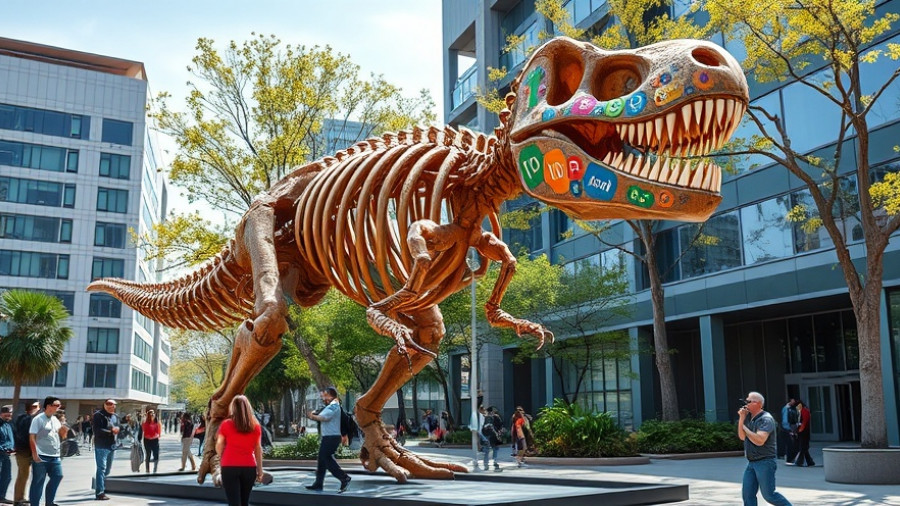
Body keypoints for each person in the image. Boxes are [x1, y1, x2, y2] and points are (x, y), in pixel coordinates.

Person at [737, 391, 792, 506]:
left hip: (765, 462)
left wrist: (744, 428)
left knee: (769, 495)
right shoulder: (749, 418)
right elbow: (742, 437)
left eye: (748, 401)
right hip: (751, 463)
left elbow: (760, 440)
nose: (745, 404)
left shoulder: (766, 419)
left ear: (758, 404)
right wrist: (742, 419)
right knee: (747, 495)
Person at [216, 395, 264, 506]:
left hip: (229, 466)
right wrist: (260, 470)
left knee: (233, 502)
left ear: (233, 408)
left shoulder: (226, 424)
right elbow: (258, 449)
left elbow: (219, 446)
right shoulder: (255, 426)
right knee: (244, 502)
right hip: (249, 467)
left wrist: (222, 456)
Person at [305, 387, 351, 493]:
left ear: (331, 395)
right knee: (322, 460)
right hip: (328, 437)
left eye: (325, 395)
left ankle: (344, 478)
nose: (323, 397)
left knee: (326, 458)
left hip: (332, 437)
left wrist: (312, 416)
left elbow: (324, 417)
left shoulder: (334, 406)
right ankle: (318, 484)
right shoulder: (330, 406)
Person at [29, 396, 69, 506]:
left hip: (54, 456)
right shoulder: (38, 419)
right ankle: (34, 504)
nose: (59, 407)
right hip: (41, 455)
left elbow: (61, 435)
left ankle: (49, 502)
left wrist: (64, 431)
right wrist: (34, 454)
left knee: (58, 476)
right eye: (57, 405)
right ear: (49, 406)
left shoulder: (55, 419)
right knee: (38, 482)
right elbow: (32, 437)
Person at [91, 398, 119, 501]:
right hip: (101, 446)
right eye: (109, 404)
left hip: (111, 446)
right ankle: (100, 492)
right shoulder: (98, 415)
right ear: (104, 405)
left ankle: (100, 487)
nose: (111, 406)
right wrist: (111, 431)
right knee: (101, 469)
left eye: (113, 404)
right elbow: (97, 430)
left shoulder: (115, 417)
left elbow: (119, 428)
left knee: (107, 470)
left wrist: (120, 430)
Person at [12, 401, 39, 506]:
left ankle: (20, 498)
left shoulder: (20, 418)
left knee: (22, 475)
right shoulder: (28, 419)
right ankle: (19, 499)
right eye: (37, 406)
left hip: (21, 449)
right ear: (33, 407)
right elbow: (28, 436)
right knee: (23, 475)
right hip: (25, 450)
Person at [791, 400, 815, 467]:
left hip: (804, 432)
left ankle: (800, 461)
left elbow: (804, 422)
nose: (796, 407)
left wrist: (799, 430)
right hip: (802, 431)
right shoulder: (800, 411)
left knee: (803, 447)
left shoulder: (805, 411)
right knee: (804, 447)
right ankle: (810, 461)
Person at [0, 405, 14, 504]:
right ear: (1, 414)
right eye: (6, 414)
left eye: (9, 414)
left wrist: (13, 448)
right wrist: (3, 449)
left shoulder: (8, 425)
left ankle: (1, 497)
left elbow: (10, 440)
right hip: (0, 453)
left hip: (7, 455)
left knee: (7, 476)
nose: (8, 416)